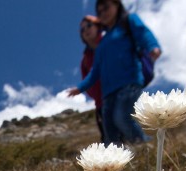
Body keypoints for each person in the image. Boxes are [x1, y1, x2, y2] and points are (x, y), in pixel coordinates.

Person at [69, 0, 161, 146]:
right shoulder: (102, 45)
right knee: (109, 130)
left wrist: (153, 46)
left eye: (106, 8)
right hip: (107, 95)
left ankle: (144, 147)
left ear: (117, 5)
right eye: (99, 11)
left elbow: (143, 33)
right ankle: (118, 162)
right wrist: (80, 87)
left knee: (122, 118)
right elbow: (95, 71)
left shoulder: (128, 21)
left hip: (129, 83)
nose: (103, 13)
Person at [79, 15, 105, 143]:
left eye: (89, 25)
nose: (86, 30)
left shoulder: (111, 44)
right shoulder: (85, 60)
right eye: (82, 29)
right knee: (107, 138)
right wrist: (97, 96)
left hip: (120, 98)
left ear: (98, 26)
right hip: (101, 104)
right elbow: (86, 82)